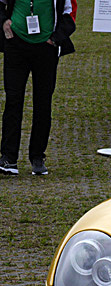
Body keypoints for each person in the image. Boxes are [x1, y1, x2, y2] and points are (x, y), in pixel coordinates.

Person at [0, 0, 75, 175]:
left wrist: (55, 38)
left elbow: (70, 15)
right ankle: (8, 158)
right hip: (16, 45)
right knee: (13, 100)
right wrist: (4, 22)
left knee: (43, 102)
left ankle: (37, 157)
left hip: (46, 48)